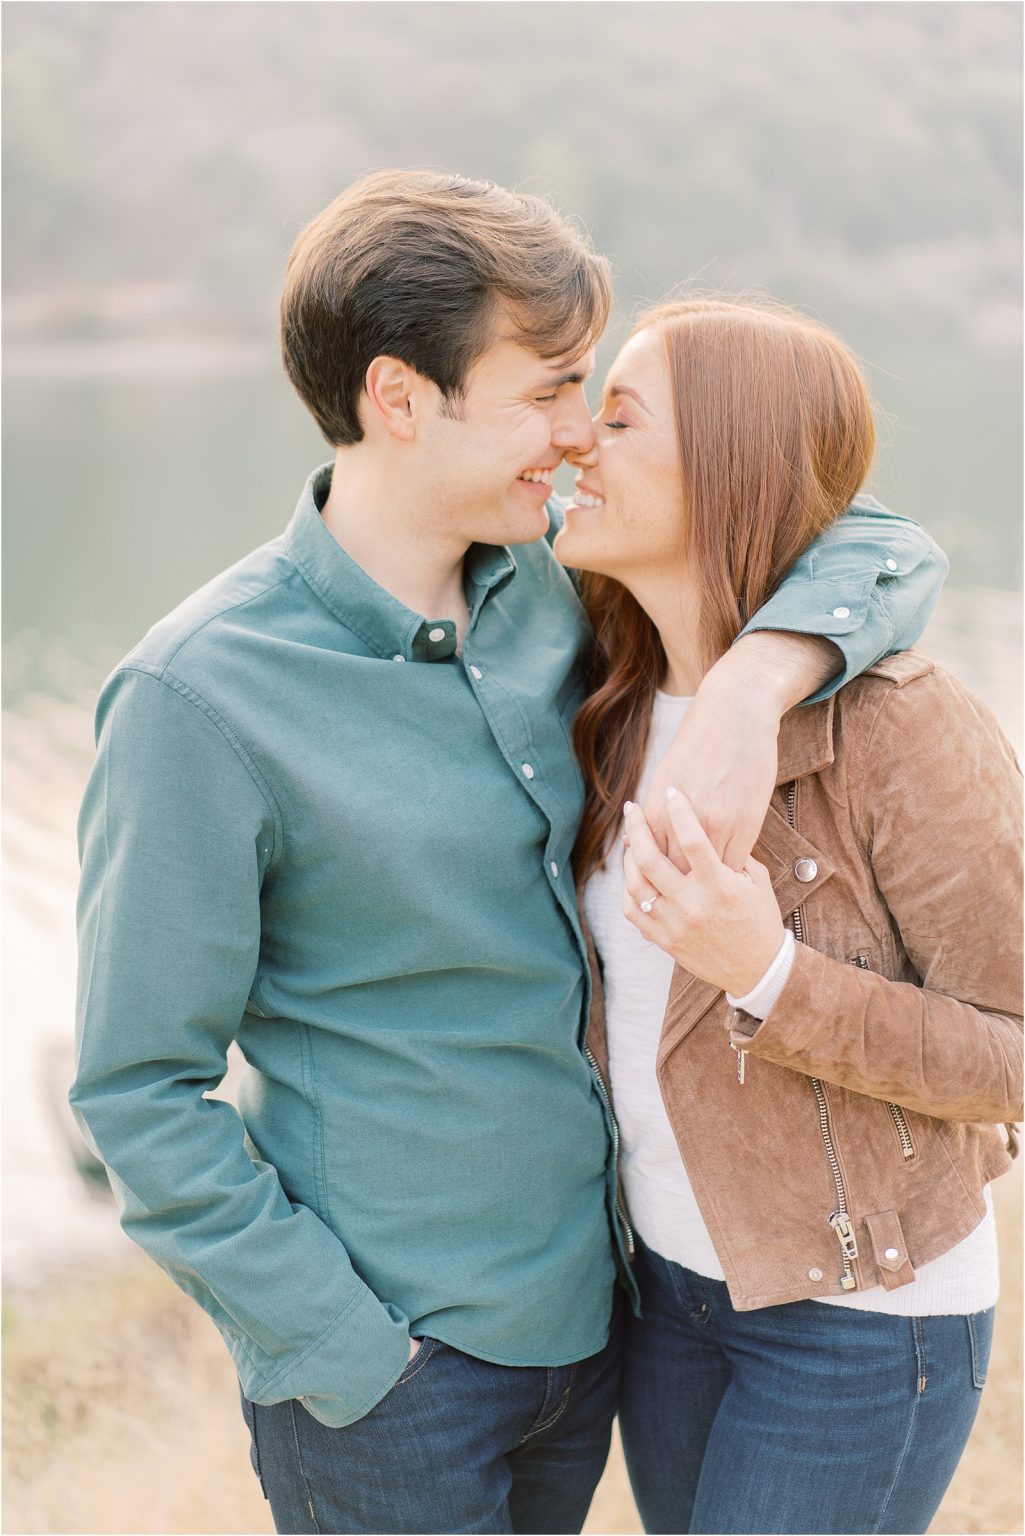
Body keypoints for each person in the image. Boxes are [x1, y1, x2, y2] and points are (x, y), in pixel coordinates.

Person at [71, 174, 947, 1536]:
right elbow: (138, 1089)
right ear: (398, 399)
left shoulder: (564, 589)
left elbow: (878, 543)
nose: (579, 434)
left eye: (594, 393)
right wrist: (346, 1353)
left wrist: (748, 686)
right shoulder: (199, 696)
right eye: (546, 393)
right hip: (394, 1380)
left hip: (600, 1338)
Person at [559, 295, 1023, 1536]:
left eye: (616, 419)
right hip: (666, 1301)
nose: (573, 448)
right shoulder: (596, 694)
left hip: (860, 1325)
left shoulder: (897, 724)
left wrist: (765, 970)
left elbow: (1013, 1054)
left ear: (727, 465)